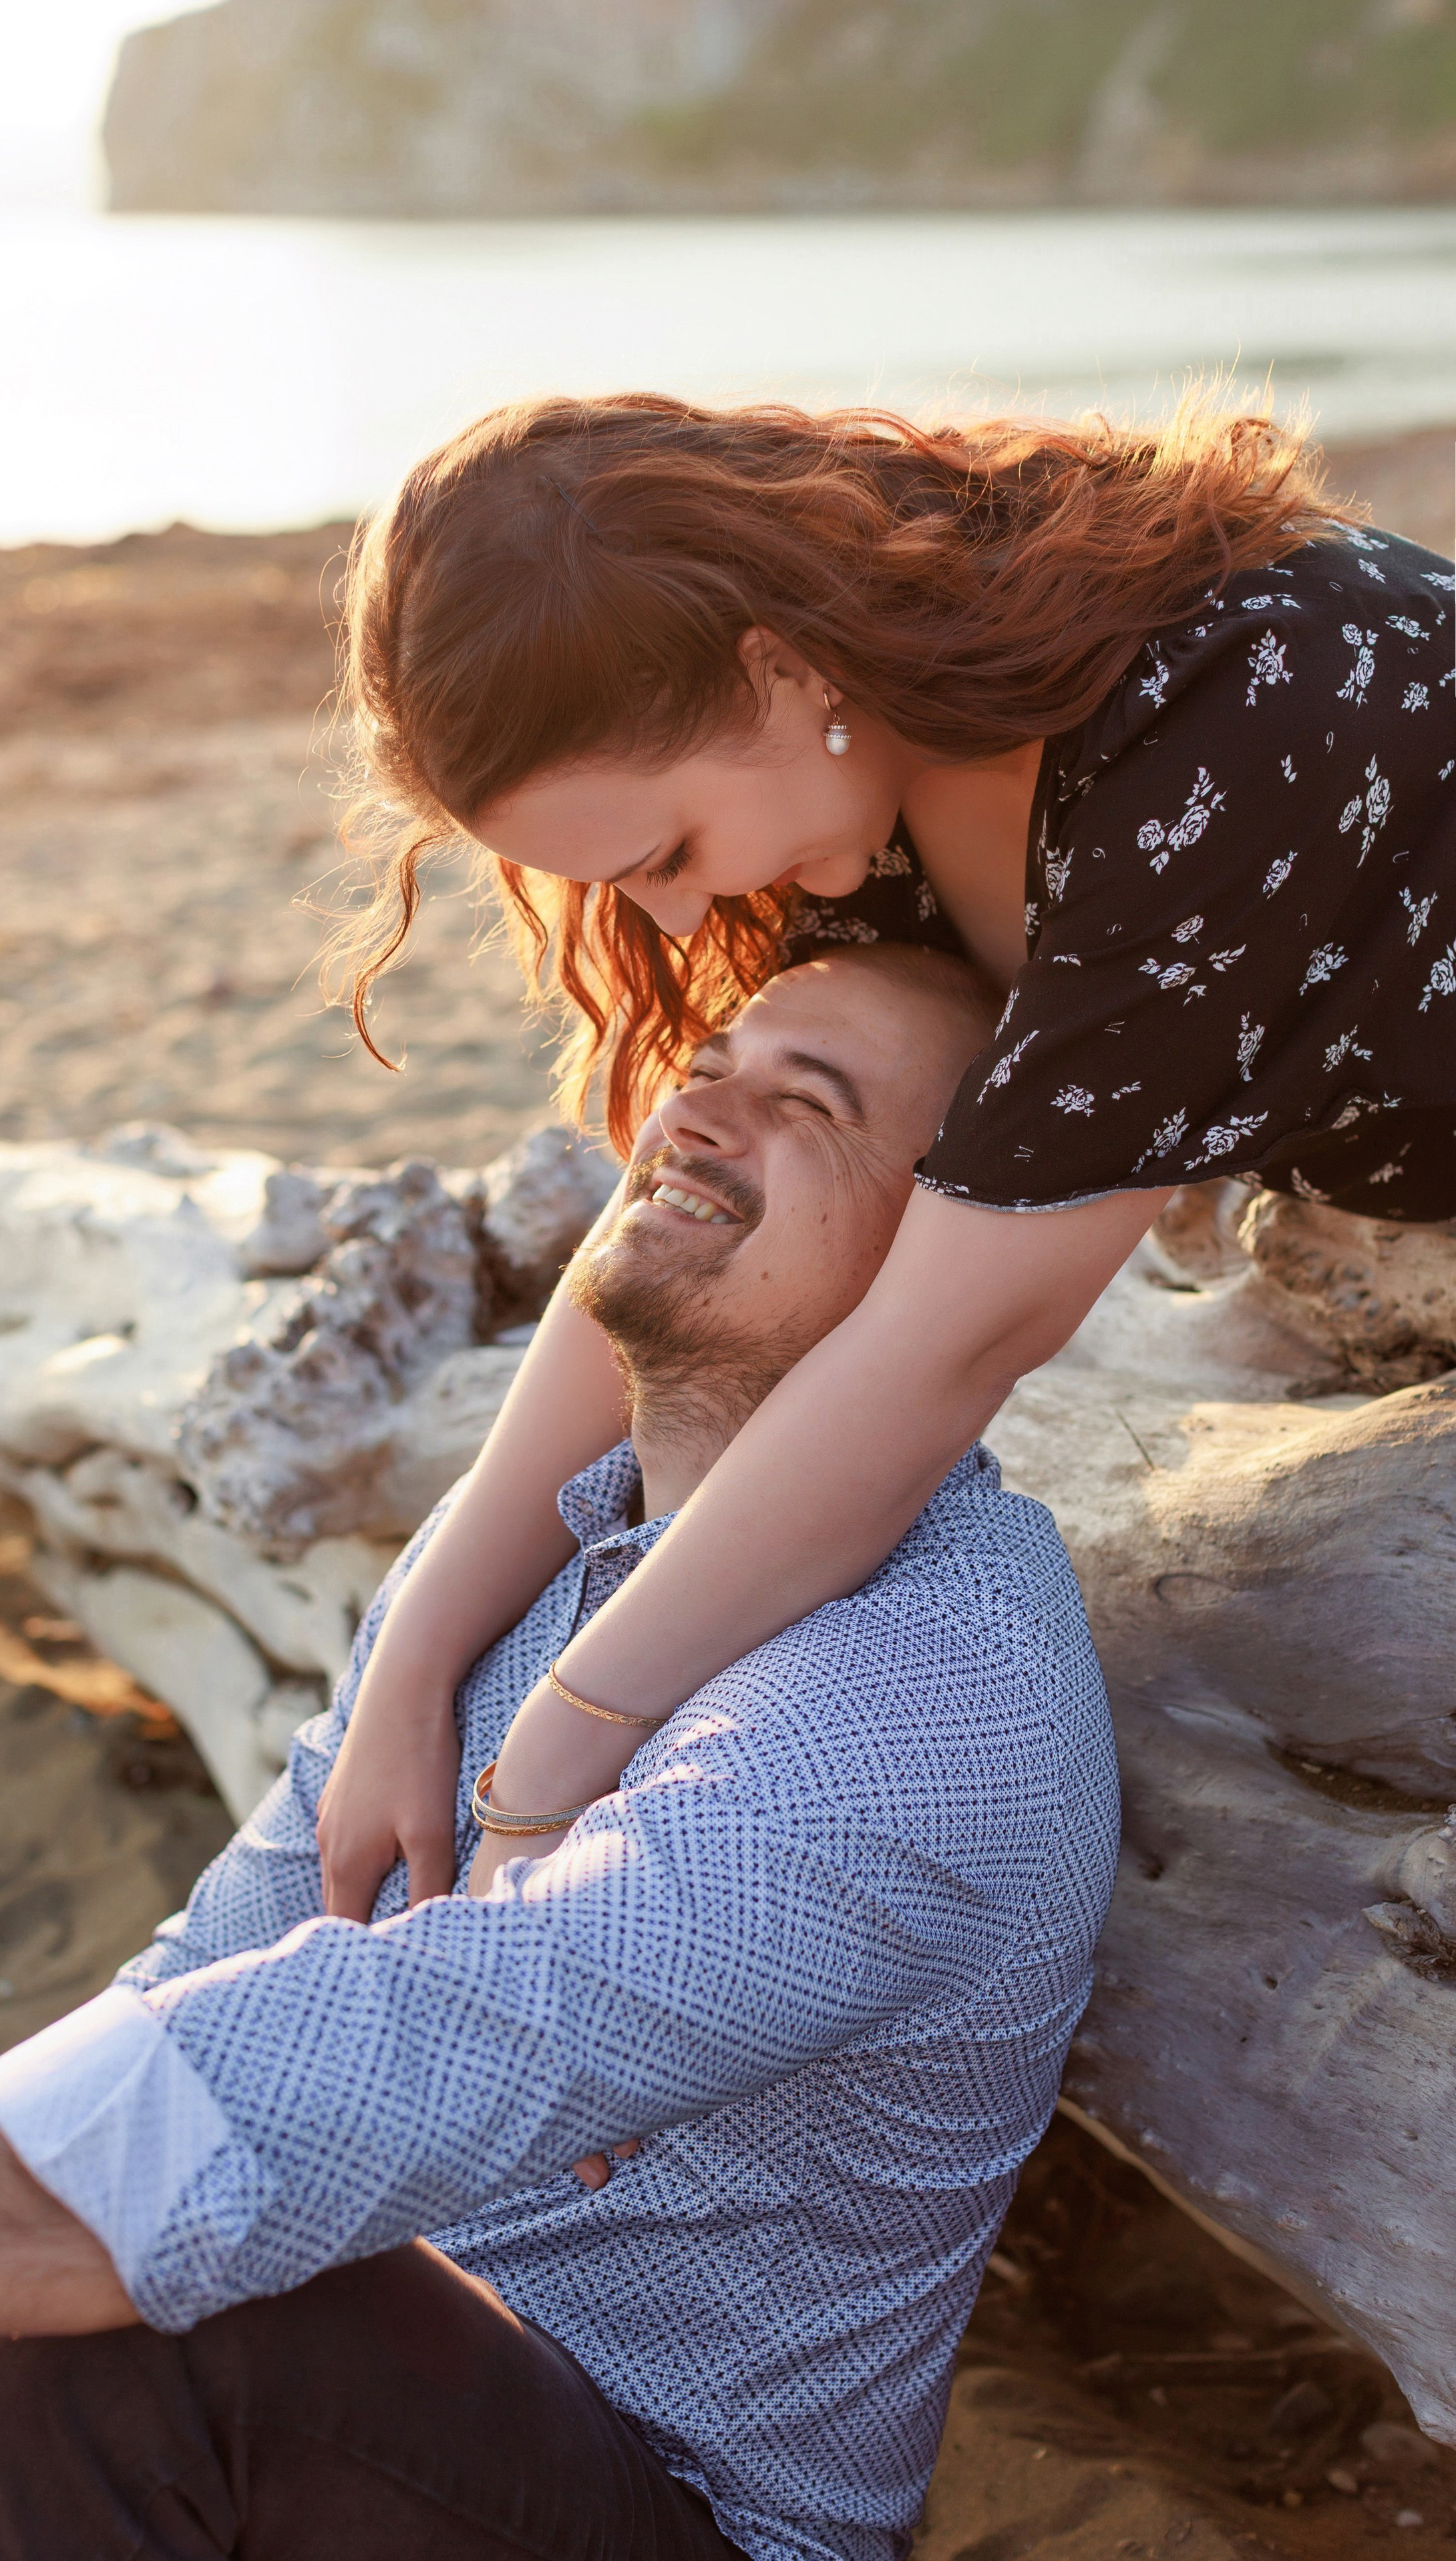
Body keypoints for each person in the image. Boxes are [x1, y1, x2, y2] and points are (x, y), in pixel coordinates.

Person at [0, 947, 1119, 2561]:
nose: (695, 1110)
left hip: (657, 2497)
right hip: (369, 2369)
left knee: (178, 2323)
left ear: (948, 1270)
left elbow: (350, 2075)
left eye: (804, 1105)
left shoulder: (918, 1707)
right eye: (711, 1061)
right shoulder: (549, 1555)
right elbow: (197, 1984)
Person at [313, 388, 1455, 1922]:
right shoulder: (886, 763)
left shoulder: (1225, 721)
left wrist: (553, 1757)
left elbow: (933, 1356)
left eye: (664, 856)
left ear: (774, 668)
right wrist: (412, 1661)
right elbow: (668, 1238)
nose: (667, 923)